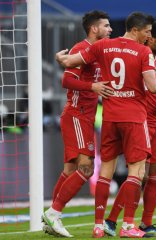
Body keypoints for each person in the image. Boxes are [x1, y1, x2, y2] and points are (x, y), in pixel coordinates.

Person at [54, 11, 156, 238]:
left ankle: (98, 225)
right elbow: (153, 87)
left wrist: (60, 58)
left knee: (104, 171)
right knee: (137, 170)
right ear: (135, 30)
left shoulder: (103, 47)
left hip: (110, 117)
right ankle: (127, 226)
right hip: (133, 117)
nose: (148, 37)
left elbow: (67, 62)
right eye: (146, 32)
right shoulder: (144, 52)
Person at [42, 10, 113, 238]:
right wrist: (92, 87)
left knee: (70, 170)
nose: (110, 29)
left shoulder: (98, 51)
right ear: (94, 29)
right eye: (106, 25)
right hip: (77, 115)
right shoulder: (82, 49)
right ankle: (54, 212)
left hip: (84, 117)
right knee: (86, 169)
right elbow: (66, 80)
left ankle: (51, 219)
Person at [103, 20, 156, 237]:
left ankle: (146, 223)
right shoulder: (136, 56)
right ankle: (112, 220)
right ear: (149, 38)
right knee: (138, 174)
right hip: (137, 120)